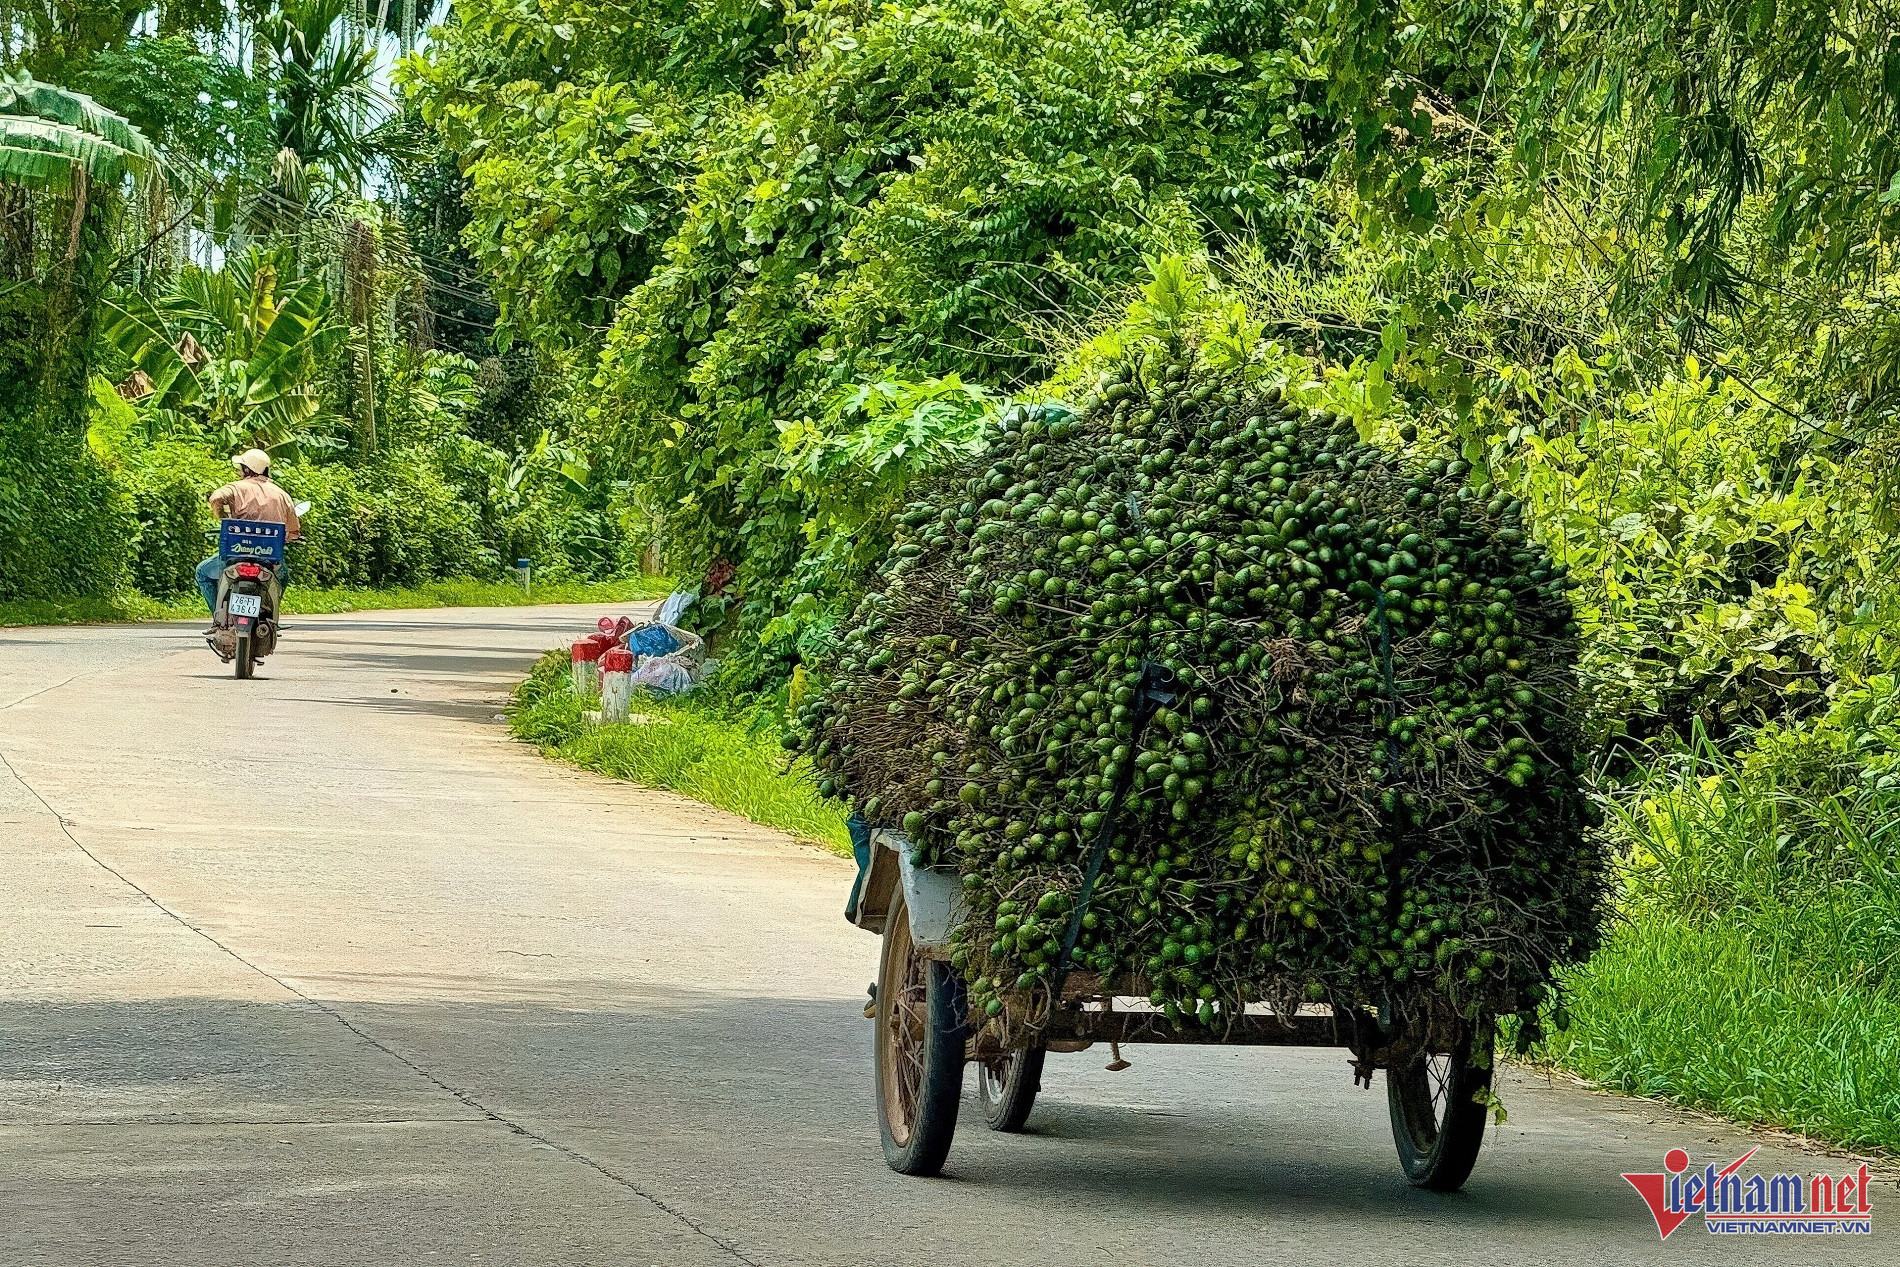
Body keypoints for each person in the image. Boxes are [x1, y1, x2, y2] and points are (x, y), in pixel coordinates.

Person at [196, 449, 301, 620]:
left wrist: (224, 518)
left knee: (202, 572)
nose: (239, 471)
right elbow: (294, 529)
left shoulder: (237, 487)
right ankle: (271, 618)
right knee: (283, 578)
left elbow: (215, 498)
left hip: (235, 556)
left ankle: (218, 619)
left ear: (247, 470)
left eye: (241, 467)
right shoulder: (281, 495)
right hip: (270, 559)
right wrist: (290, 535)